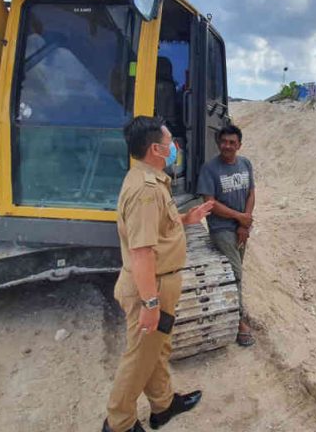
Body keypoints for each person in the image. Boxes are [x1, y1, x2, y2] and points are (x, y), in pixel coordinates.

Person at [103, 116, 214, 432]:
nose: (174, 148)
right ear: (155, 148)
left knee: (156, 350)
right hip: (150, 287)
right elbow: (141, 252)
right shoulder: (146, 190)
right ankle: (119, 423)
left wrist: (187, 219)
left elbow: (157, 226)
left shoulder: (147, 179)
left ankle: (162, 406)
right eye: (170, 144)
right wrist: (151, 304)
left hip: (159, 283)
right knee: (139, 358)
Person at [196, 124, 256, 346]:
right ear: (218, 143)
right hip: (221, 228)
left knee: (237, 269)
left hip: (241, 227)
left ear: (239, 145)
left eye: (232, 142)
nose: (227, 146)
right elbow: (209, 203)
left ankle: (234, 306)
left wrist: (245, 222)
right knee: (236, 272)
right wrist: (240, 218)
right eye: (224, 142)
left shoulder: (245, 164)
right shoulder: (210, 169)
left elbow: (251, 193)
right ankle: (239, 322)